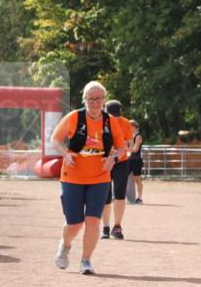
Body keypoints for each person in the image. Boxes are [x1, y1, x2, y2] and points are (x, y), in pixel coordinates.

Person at [50, 81, 126, 275]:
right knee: (75, 223)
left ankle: (86, 260)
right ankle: (65, 245)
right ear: (84, 100)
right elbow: (55, 140)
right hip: (72, 177)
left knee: (93, 221)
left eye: (99, 99)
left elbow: (121, 147)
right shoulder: (74, 117)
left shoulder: (110, 122)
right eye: (91, 99)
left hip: (100, 178)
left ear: (104, 100)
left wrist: (113, 159)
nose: (95, 103)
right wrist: (65, 154)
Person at [100, 100, 133, 239]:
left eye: (117, 115)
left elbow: (130, 146)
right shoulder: (99, 121)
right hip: (104, 162)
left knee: (120, 194)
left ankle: (117, 226)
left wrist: (120, 146)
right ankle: (106, 227)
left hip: (121, 162)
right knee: (105, 197)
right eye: (112, 115)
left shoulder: (126, 123)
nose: (115, 118)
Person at [128, 120, 144, 203]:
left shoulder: (138, 136)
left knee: (137, 179)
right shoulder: (131, 135)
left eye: (129, 126)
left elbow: (135, 149)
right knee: (124, 177)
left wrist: (124, 149)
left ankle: (139, 198)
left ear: (134, 126)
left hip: (136, 160)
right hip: (130, 159)